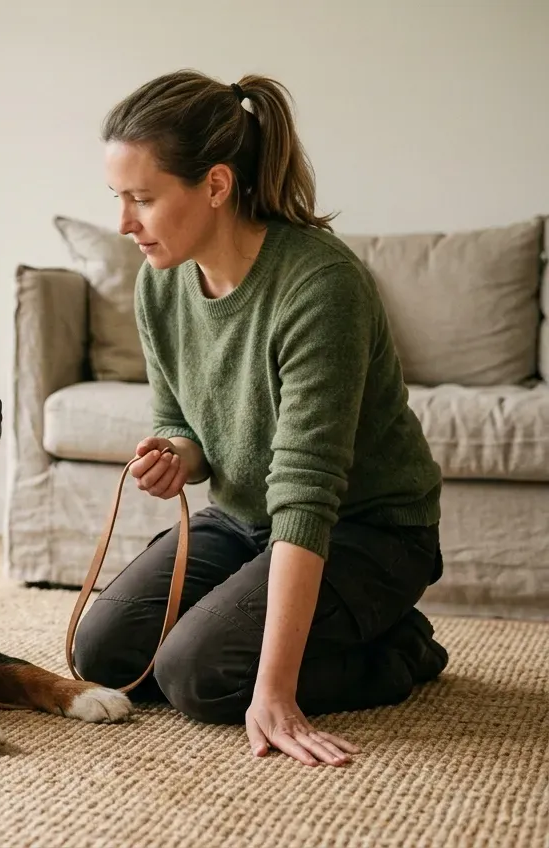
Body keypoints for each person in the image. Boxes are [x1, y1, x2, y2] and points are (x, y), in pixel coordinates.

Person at [70, 69, 448, 768]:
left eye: (143, 199)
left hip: (362, 528)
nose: (124, 223)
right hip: (245, 519)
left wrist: (273, 690)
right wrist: (179, 453)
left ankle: (399, 647)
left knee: (197, 677)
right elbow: (177, 414)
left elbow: (307, 495)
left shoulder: (321, 287)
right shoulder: (161, 280)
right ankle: (297, 630)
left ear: (215, 185)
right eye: (118, 199)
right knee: (102, 652)